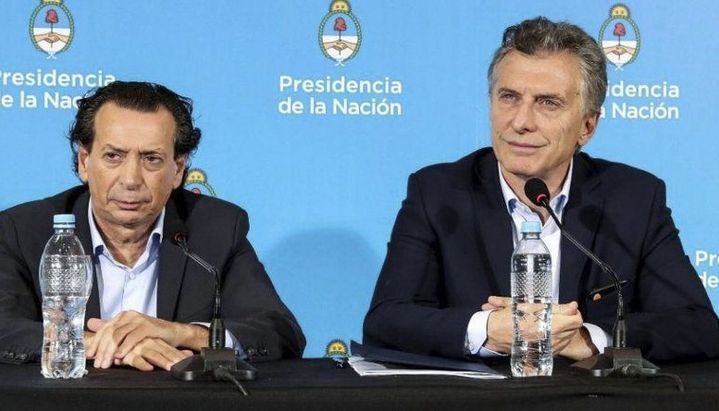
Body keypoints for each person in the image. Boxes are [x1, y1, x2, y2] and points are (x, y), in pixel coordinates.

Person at [363, 17, 719, 363]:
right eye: (508, 97)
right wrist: (487, 329)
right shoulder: (439, 194)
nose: (521, 122)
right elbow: (385, 322)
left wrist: (588, 338)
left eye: (548, 102)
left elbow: (698, 326)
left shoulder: (633, 199)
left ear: (587, 126)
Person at [0, 81, 305, 371]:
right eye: (113, 156)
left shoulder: (218, 229)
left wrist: (181, 334)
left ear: (178, 170)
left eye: (151, 159)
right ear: (84, 161)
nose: (131, 179)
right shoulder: (25, 230)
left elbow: (279, 332)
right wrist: (97, 344)